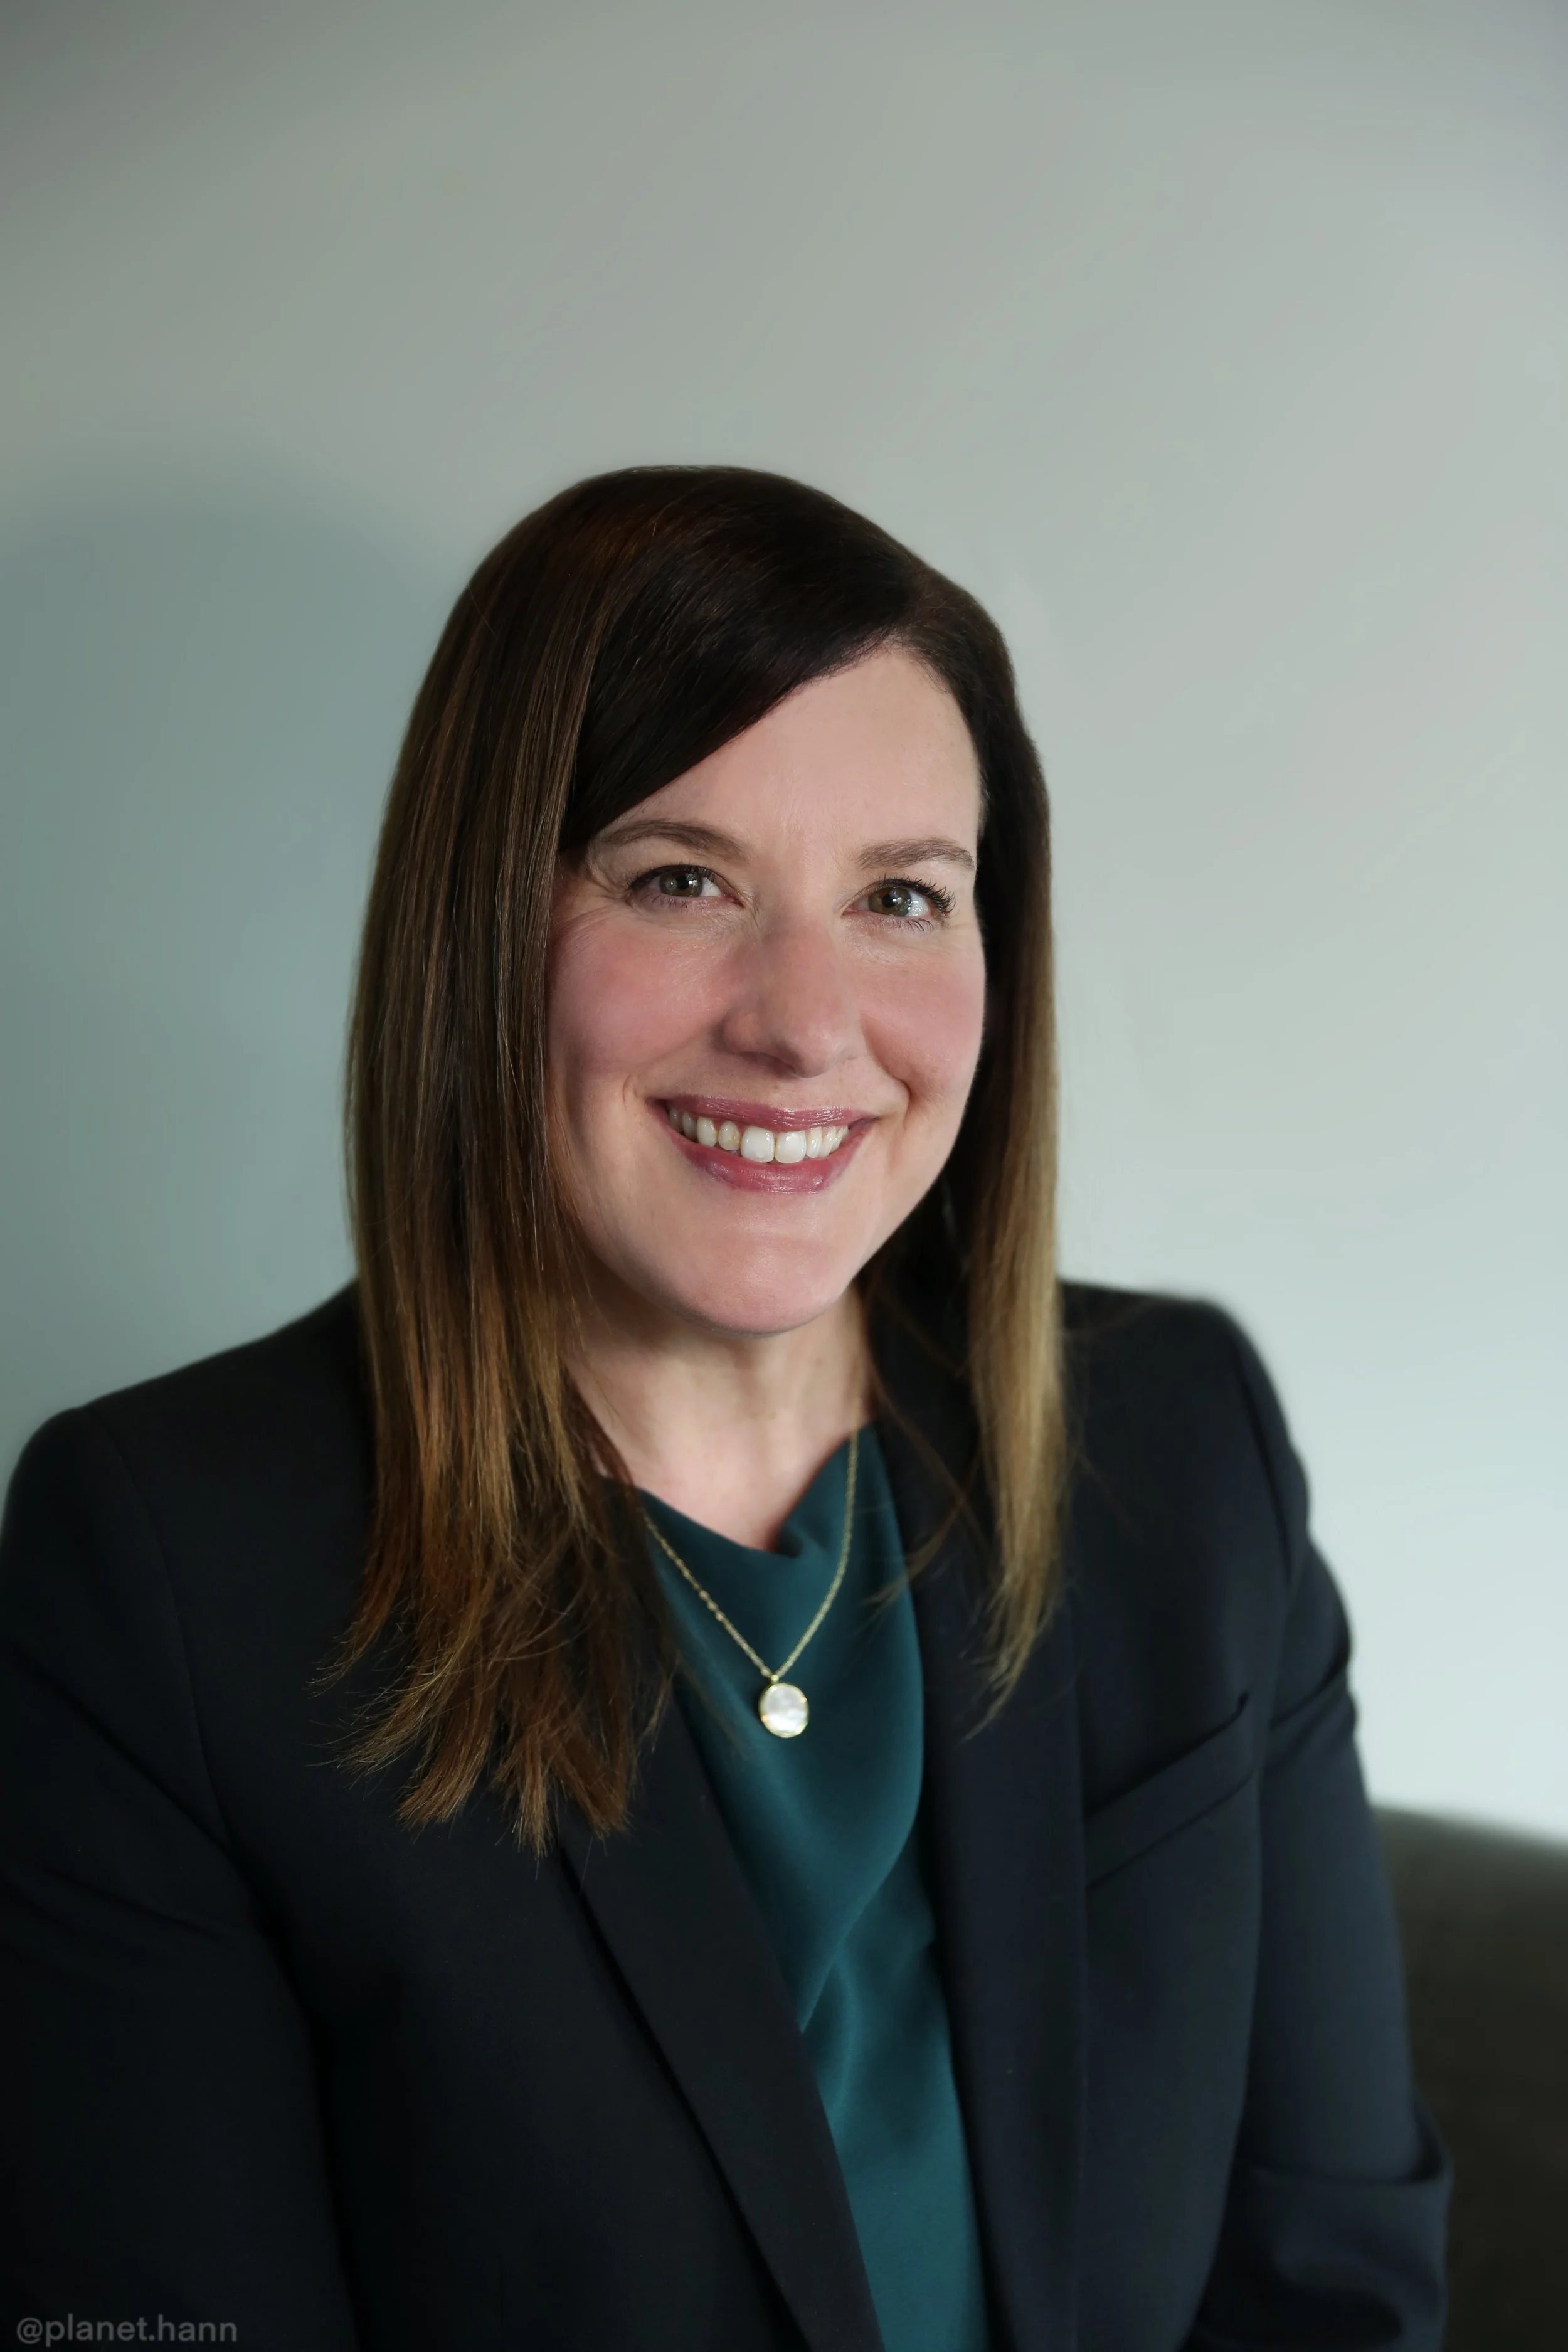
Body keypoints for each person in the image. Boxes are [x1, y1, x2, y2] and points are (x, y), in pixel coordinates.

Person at [0, 467, 1448, 2351]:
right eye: (683, 880)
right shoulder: (167, 1562)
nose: (803, 1019)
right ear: (482, 928)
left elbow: (1329, 2283)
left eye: (901, 897)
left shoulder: (1182, 1442)